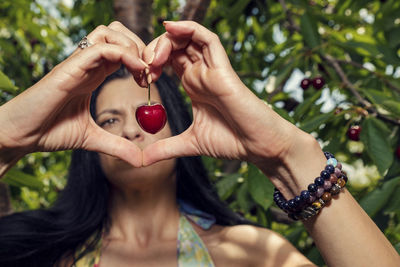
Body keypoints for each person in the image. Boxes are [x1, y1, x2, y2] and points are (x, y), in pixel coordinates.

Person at [0, 20, 398, 267]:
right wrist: (7, 139)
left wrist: (290, 157)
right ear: (88, 149)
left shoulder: (249, 253)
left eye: (143, 114)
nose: (131, 130)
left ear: (180, 125)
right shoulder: (32, 249)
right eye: (108, 120)